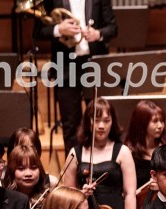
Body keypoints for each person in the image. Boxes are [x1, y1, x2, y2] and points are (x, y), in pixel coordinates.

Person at [33, 0, 117, 154]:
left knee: (100, 121)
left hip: (94, 65)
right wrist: (59, 29)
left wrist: (98, 34)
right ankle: (74, 172)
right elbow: (38, 31)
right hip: (66, 67)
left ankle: (102, 167)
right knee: (71, 126)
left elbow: (112, 28)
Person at [63, 98, 137, 209]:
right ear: (88, 122)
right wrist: (82, 193)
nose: (101, 126)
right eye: (96, 121)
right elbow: (68, 195)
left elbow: (130, 193)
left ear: (112, 122)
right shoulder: (75, 153)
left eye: (106, 121)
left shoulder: (123, 152)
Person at [123, 99, 166, 191]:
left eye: (162, 121)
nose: (160, 125)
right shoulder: (129, 153)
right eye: (155, 121)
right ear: (141, 124)